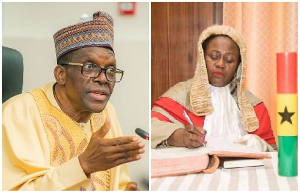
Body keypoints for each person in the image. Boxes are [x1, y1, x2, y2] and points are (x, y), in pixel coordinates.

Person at [2, 11, 145, 191]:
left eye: (110, 70)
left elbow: (119, 182)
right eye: (90, 67)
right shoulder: (18, 113)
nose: (103, 78)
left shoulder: (107, 113)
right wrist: (83, 165)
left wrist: (128, 189)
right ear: (61, 75)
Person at [151, 25, 277, 152]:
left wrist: (259, 143)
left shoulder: (254, 105)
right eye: (214, 57)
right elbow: (151, 127)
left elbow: (273, 151)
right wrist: (181, 136)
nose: (221, 64)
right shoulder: (180, 94)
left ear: (239, 66)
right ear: (202, 58)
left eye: (229, 60)